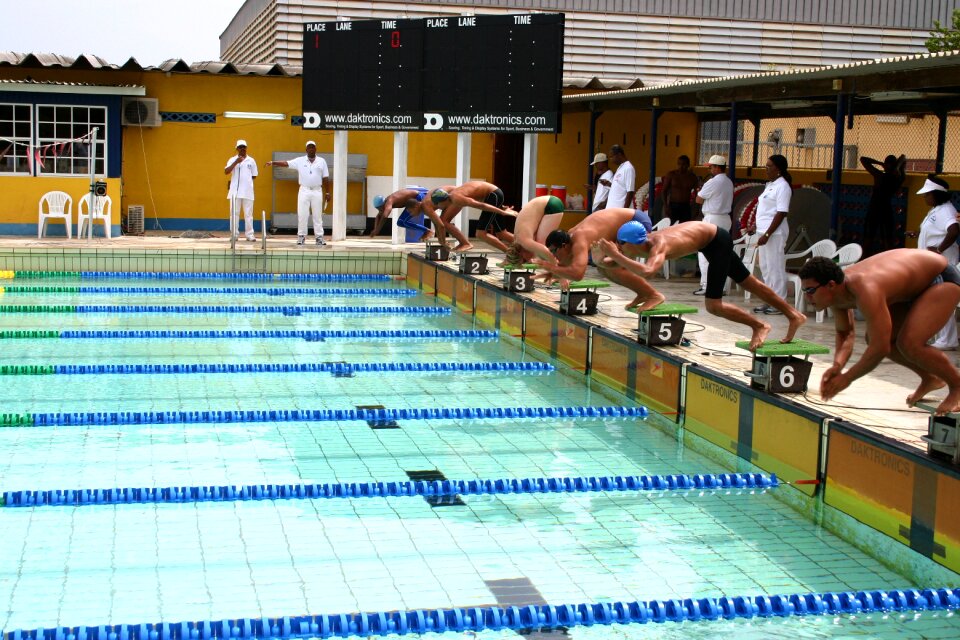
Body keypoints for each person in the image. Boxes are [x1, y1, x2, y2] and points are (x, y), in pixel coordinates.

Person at [595, 221, 805, 350]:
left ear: (633, 243)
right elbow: (612, 262)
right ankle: (794, 315)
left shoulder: (659, 246)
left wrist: (613, 255)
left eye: (621, 244)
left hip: (716, 241)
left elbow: (649, 272)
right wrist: (599, 258)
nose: (619, 248)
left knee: (714, 306)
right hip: (708, 239)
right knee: (751, 284)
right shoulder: (635, 244)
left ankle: (760, 326)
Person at [798, 251, 960, 416]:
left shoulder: (866, 288)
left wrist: (847, 378)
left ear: (831, 285)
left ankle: (957, 387)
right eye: (804, 291)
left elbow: (879, 349)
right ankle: (930, 378)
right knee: (881, 339)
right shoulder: (836, 295)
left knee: (909, 343)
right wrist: (838, 366)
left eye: (810, 290)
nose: (807, 297)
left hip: (940, 278)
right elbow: (845, 333)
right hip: (913, 288)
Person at [535, 208, 662, 311]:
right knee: (603, 267)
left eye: (553, 251)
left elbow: (578, 274)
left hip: (635, 222)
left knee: (613, 268)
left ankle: (653, 295)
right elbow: (566, 262)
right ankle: (642, 293)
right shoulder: (569, 238)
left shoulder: (580, 240)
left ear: (563, 246)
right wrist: (558, 273)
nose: (554, 256)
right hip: (621, 225)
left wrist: (552, 268)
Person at [914, 176, 959, 350]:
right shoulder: (936, 209)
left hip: (943, 263)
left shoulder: (946, 211)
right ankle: (943, 337)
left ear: (936, 195)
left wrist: (939, 250)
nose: (925, 198)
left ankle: (948, 340)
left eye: (927, 195)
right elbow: (934, 231)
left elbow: (954, 231)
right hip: (932, 263)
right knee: (936, 299)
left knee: (943, 300)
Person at [265, 141, 331, 246]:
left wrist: (327, 192)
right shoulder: (300, 160)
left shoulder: (321, 161)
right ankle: (301, 236)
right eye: (309, 147)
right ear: (306, 150)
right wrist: (273, 162)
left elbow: (326, 177)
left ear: (316, 149)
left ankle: (319, 237)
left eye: (313, 147)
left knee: (317, 215)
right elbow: (287, 163)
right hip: (304, 190)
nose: (311, 149)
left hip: (317, 191)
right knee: (302, 214)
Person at [423, 181, 514, 252]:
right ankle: (526, 250)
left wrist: (501, 212)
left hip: (493, 195)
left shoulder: (457, 198)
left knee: (481, 234)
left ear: (443, 201)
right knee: (502, 233)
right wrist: (500, 206)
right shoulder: (452, 198)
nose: (439, 207)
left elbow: (481, 206)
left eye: (438, 205)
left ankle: (511, 256)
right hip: (493, 195)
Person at [752, 154, 792, 315]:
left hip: (774, 234)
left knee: (775, 267)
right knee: (766, 268)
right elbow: (765, 210)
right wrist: (755, 226)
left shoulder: (783, 187)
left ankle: (779, 303)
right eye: (766, 166)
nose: (766, 169)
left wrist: (767, 234)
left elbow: (781, 213)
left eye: (769, 166)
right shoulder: (770, 185)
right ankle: (769, 300)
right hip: (763, 231)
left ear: (779, 169)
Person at [693, 154, 734, 295]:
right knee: (720, 253)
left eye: (711, 167)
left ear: (717, 167)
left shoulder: (712, 182)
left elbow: (698, 200)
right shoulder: (729, 182)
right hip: (725, 219)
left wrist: (700, 191)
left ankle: (706, 285)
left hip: (712, 219)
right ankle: (719, 286)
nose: (709, 169)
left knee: (705, 253)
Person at [860, 154, 906, 256]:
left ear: (886, 165)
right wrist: (897, 167)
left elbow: (863, 159)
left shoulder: (880, 176)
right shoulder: (899, 178)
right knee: (887, 239)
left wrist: (879, 163)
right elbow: (903, 157)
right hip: (886, 209)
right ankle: (887, 260)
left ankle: (864, 259)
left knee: (868, 238)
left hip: (874, 209)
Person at [501, 195, 566, 266]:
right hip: (547, 202)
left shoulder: (524, 241)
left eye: (525, 260)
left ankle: (562, 262)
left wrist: (555, 266)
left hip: (550, 205)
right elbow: (512, 253)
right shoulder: (518, 240)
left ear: (521, 254)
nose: (529, 260)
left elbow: (544, 250)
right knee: (540, 249)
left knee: (541, 245)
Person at [368, 187, 441, 240]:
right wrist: (375, 229)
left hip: (418, 198)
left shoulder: (389, 201)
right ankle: (427, 230)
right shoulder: (384, 204)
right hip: (413, 200)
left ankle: (428, 231)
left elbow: (384, 216)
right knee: (401, 222)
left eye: (379, 208)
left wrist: (378, 230)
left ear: (382, 204)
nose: (379, 210)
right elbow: (379, 216)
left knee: (402, 222)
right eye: (377, 209)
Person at [224, 139, 258, 242]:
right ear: (237, 149)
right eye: (240, 147)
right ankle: (234, 234)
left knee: (248, 214)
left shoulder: (251, 160)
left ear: (246, 148)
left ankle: (250, 235)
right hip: (235, 192)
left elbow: (254, 175)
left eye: (244, 147)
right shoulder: (232, 159)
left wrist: (246, 183)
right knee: (234, 213)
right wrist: (236, 162)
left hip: (247, 192)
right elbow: (226, 171)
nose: (242, 148)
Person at [661, 155, 698, 224]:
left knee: (684, 227)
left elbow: (697, 193)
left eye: (683, 164)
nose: (681, 166)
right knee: (672, 227)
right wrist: (666, 205)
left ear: (688, 165)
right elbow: (664, 191)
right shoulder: (671, 175)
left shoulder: (692, 177)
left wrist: (695, 206)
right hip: (673, 205)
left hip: (686, 206)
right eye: (679, 164)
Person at [606, 145, 636, 209]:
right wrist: (609, 184)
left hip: (620, 212)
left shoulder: (628, 168)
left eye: (612, 157)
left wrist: (624, 211)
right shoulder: (620, 168)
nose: (611, 160)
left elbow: (630, 192)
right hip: (612, 211)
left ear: (619, 155)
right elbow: (620, 187)